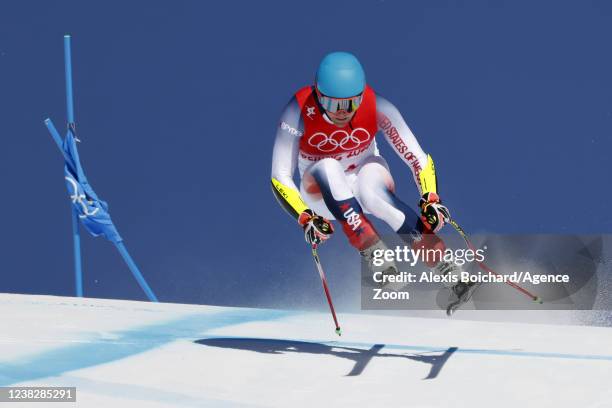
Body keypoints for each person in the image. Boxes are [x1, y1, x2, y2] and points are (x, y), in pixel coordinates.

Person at [270, 51, 458, 285]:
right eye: (332, 103)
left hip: (363, 173)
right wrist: (305, 216)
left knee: (373, 193)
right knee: (328, 166)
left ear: (361, 96)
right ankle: (377, 256)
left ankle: (447, 267)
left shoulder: (376, 105)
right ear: (318, 97)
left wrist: (430, 198)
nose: (343, 112)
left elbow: (416, 157)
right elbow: (280, 175)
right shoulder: (298, 110)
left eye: (351, 103)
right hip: (321, 194)